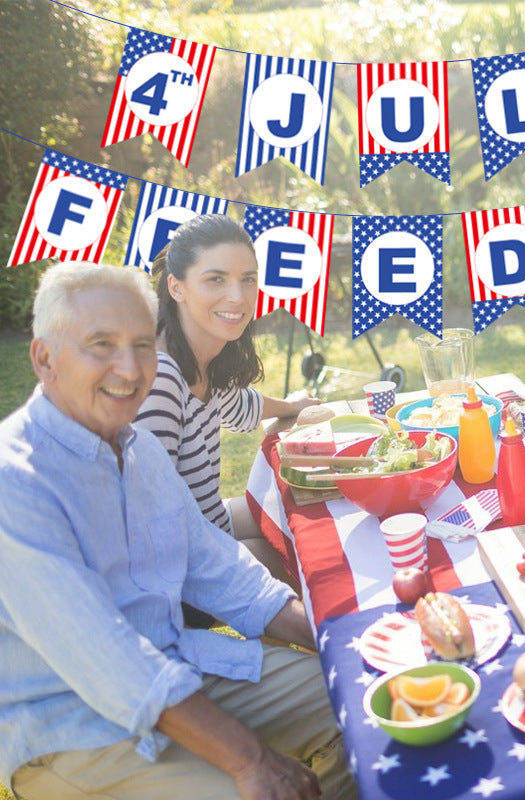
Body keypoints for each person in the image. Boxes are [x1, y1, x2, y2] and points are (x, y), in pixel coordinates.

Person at [0, 261, 356, 800]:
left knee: (363, 697)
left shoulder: (136, 447)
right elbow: (109, 660)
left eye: (143, 345)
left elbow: (217, 566)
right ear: (44, 358)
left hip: (178, 666)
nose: (129, 367)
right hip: (73, 728)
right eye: (101, 344)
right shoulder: (15, 482)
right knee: (250, 787)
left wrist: (338, 642)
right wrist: (251, 760)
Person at [135, 214, 318, 586]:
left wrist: (293, 407)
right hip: (177, 571)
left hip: (207, 526)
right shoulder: (159, 378)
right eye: (215, 279)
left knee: (300, 509)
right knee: (305, 561)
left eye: (247, 279)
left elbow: (240, 407)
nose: (237, 297)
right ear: (177, 287)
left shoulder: (200, 357)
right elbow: (150, 526)